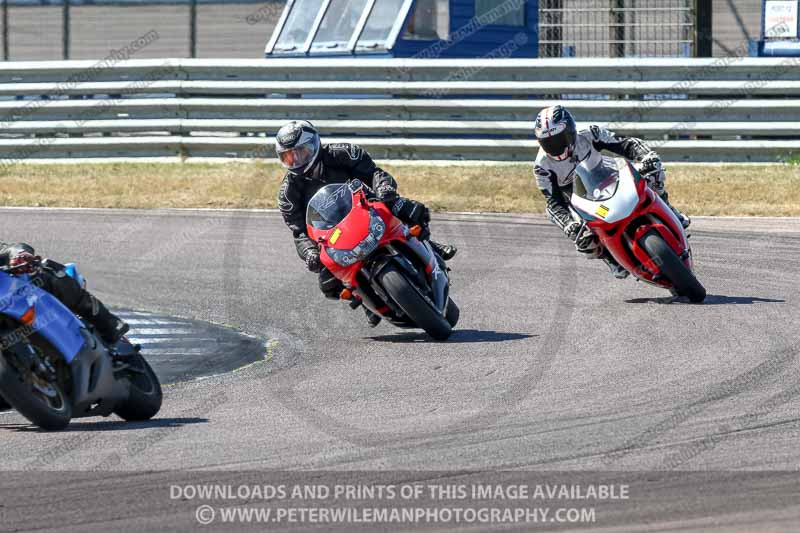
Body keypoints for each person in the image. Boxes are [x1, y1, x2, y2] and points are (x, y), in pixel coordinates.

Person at [275, 120, 457, 326]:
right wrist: (309, 252)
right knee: (328, 284)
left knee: (406, 208)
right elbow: (298, 231)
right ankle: (362, 297)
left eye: (302, 152)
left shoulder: (342, 153)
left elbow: (374, 173)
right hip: (334, 232)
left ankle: (431, 246)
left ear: (315, 145)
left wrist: (384, 189)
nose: (297, 160)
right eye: (289, 157)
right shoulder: (288, 193)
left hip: (366, 205)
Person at [533, 105, 691, 279]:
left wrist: (646, 156)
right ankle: (610, 258)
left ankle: (669, 209)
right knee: (582, 238)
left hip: (606, 176)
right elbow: (553, 202)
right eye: (548, 143)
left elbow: (626, 144)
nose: (554, 147)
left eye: (558, 139)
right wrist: (569, 224)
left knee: (654, 171)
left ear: (571, 132)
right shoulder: (542, 166)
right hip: (578, 200)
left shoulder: (590, 134)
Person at [0, 243, 129, 345]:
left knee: (48, 274)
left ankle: (109, 324)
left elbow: (8, 248)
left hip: (10, 297)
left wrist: (19, 254)